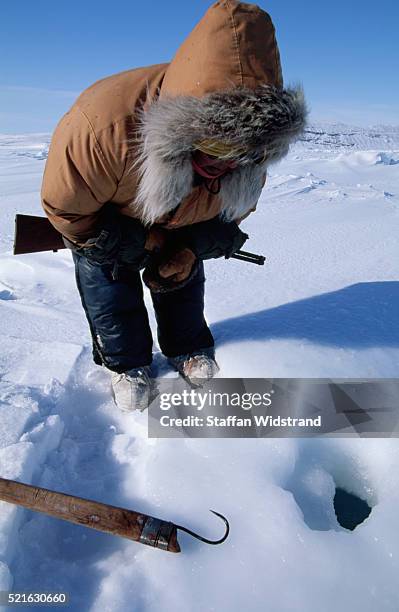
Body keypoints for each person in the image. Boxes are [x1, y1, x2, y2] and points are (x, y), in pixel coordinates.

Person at [41, 0, 307, 412]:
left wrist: (186, 247)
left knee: (183, 281)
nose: (230, 163)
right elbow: (70, 213)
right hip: (106, 220)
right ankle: (126, 363)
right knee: (109, 287)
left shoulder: (252, 149)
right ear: (185, 128)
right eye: (218, 144)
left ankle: (187, 347)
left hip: (184, 220)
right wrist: (144, 242)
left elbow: (231, 215)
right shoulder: (102, 128)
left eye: (248, 151)